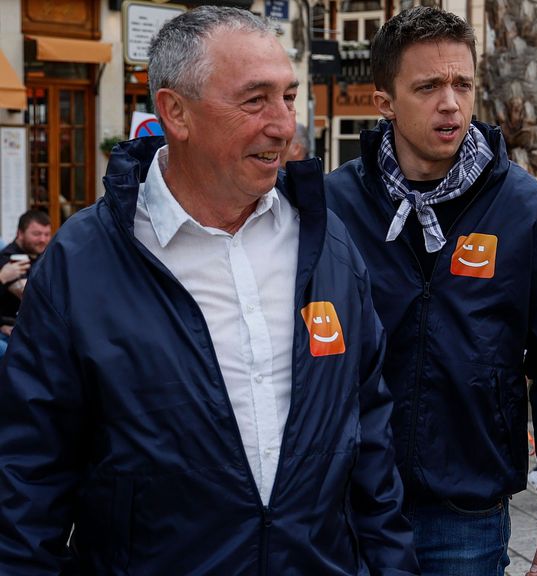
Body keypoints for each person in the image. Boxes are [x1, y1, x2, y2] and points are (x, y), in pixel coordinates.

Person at [0, 7, 417, 575]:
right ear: (176, 113)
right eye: (254, 100)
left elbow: (368, 436)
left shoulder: (329, 246)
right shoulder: (84, 262)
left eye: (288, 97)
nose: (282, 125)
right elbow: (30, 476)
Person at [324, 6, 537, 576]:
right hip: (348, 504)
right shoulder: (335, 208)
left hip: (466, 512)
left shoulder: (524, 210)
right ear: (385, 103)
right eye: (428, 86)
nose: (450, 102)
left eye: (462, 84)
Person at [0, 210, 50, 354]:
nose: (43, 239)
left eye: (47, 234)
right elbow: (24, 291)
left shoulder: (43, 256)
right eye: (36, 234)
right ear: (20, 234)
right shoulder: (9, 258)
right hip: (14, 329)